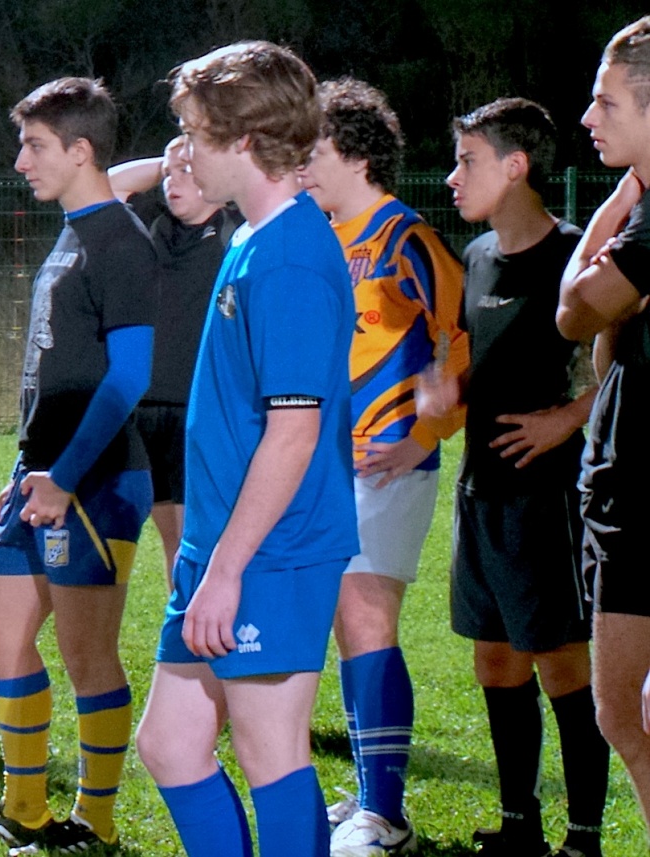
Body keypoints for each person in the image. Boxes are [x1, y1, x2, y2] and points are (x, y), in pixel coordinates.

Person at [134, 42, 357, 857]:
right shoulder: (251, 240)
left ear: (244, 140)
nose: (182, 150)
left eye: (194, 132)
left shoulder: (291, 256)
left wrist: (227, 570)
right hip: (221, 542)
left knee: (270, 753)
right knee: (170, 744)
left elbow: (294, 432)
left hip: (269, 551)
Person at [0, 77, 157, 854]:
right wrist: (29, 466)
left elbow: (129, 376)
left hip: (96, 481)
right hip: (43, 475)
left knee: (86, 655)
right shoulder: (73, 229)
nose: (20, 161)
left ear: (80, 150)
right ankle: (25, 809)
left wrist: (64, 477)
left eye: (34, 145)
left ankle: (94, 823)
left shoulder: (120, 242)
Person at [424, 97, 608, 857]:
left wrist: (566, 419)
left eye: (467, 161)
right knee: (495, 660)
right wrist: (450, 390)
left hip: (546, 495)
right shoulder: (475, 257)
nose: (452, 177)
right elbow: (488, 362)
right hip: (479, 491)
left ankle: (584, 838)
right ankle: (518, 828)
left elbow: (623, 362)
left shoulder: (575, 253)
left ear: (515, 166)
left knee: (562, 664)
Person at [297, 77, 467, 856]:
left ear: (354, 155)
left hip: (388, 466)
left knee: (367, 617)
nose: (301, 165)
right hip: (329, 466)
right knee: (347, 622)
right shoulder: (323, 239)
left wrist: (424, 437)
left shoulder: (406, 238)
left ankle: (385, 816)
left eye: (312, 150)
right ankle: (370, 791)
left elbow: (459, 342)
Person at [556, 14, 650, 845]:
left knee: (637, 709)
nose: (588, 118)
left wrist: (617, 210)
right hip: (620, 489)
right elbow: (598, 347)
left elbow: (571, 312)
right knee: (620, 712)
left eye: (607, 101)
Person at [108, 137, 242, 585]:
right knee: (172, 542)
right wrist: (171, 159)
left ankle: (202, 625)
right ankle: (182, 622)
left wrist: (201, 160)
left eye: (186, 172)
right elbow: (110, 185)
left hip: (196, 411)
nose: (171, 182)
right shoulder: (152, 227)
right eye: (167, 175)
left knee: (194, 538)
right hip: (144, 410)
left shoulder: (234, 233)